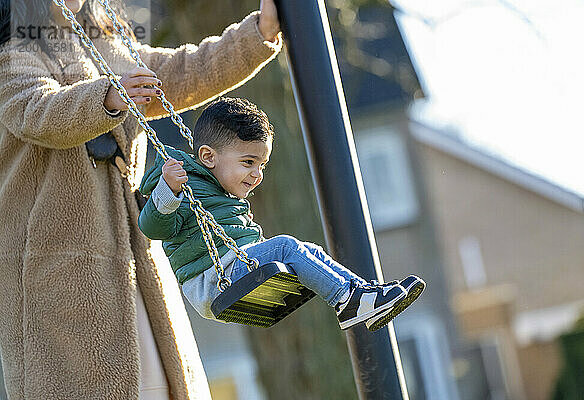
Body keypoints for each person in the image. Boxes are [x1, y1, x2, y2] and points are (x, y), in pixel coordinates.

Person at [0, 0, 282, 399]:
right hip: (56, 270)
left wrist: (259, 33)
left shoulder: (106, 42)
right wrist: (108, 97)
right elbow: (36, 111)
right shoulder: (13, 52)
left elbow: (186, 71)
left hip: (134, 257)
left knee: (160, 385)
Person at [137, 97, 426, 332]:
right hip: (212, 281)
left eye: (261, 165)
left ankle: (362, 295)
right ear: (209, 156)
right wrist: (168, 189)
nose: (256, 174)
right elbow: (152, 227)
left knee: (309, 250)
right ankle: (348, 300)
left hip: (233, 266)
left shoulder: (220, 190)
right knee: (287, 246)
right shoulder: (186, 186)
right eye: (248, 162)